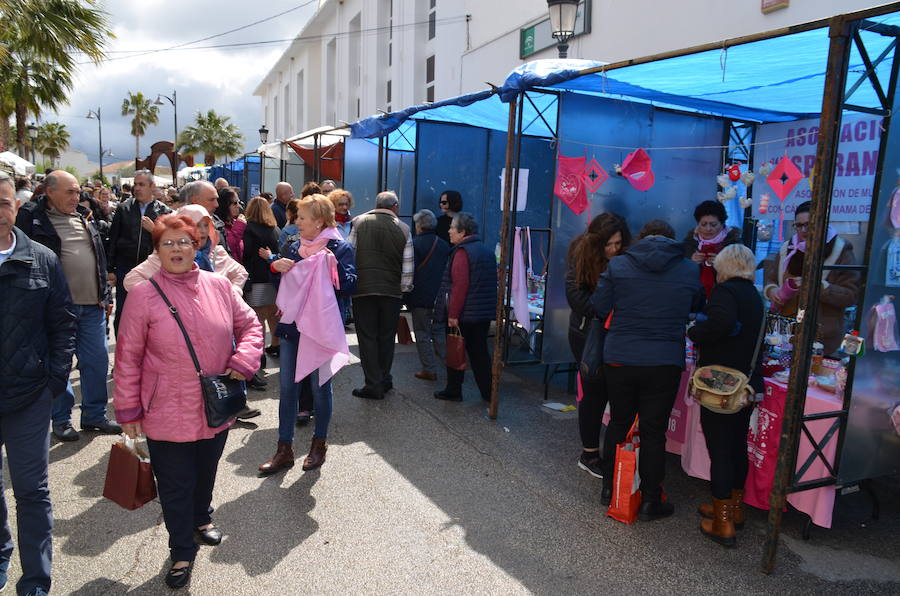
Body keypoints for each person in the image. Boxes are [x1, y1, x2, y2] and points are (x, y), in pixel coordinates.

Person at [113, 214, 262, 590]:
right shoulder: (143, 295)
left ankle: (202, 517)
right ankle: (181, 549)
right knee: (176, 483)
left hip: (215, 403)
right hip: (165, 408)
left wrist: (243, 361)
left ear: (197, 246)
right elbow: (127, 357)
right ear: (157, 251)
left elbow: (251, 326)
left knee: (206, 471)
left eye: (183, 242)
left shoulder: (219, 286)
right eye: (168, 243)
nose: (176, 249)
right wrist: (128, 410)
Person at [591, 219, 703, 521]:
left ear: (640, 238)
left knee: (618, 423)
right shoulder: (689, 269)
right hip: (664, 360)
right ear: (672, 239)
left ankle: (609, 489)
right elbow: (695, 305)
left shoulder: (618, 265)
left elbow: (599, 306)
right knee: (654, 431)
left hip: (620, 358)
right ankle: (652, 500)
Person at [0, 171, 77, 596]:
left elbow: (62, 325)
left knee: (31, 491)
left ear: (18, 205)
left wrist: (54, 380)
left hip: (29, 395)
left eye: (4, 202)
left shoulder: (43, 258)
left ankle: (35, 581)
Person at [16, 170, 121, 441]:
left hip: (91, 306)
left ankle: (94, 415)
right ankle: (61, 419)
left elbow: (98, 260)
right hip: (55, 309)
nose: (76, 197)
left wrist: (105, 296)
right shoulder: (33, 220)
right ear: (49, 192)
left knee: (97, 362)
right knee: (59, 366)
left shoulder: (85, 218)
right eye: (69, 192)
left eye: (77, 192)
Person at [259, 194, 356, 475]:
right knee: (288, 388)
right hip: (291, 327)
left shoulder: (339, 248)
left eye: (302, 218)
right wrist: (275, 267)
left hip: (321, 328)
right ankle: (284, 449)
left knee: (319, 387)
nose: (296, 222)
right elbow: (284, 280)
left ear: (319, 221)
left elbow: (349, 285)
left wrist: (332, 268)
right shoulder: (292, 246)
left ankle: (319, 444)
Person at [687, 244, 764, 547]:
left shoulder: (725, 293)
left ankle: (722, 523)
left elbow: (720, 323)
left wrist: (695, 332)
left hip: (721, 384)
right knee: (735, 448)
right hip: (746, 383)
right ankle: (734, 509)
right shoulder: (754, 296)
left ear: (726, 267)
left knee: (720, 450)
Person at [565, 212, 631, 478]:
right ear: (597, 242)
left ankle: (612, 453)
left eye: (618, 243)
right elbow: (577, 298)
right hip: (586, 334)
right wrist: (606, 306)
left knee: (612, 394)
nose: (614, 249)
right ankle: (589, 454)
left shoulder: (625, 259)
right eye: (609, 244)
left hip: (615, 335)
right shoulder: (580, 254)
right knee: (593, 395)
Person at [763, 200, 859, 354]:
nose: (804, 230)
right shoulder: (786, 249)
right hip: (785, 333)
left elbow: (851, 295)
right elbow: (772, 279)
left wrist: (818, 286)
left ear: (822, 224)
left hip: (820, 336)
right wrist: (772, 291)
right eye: (799, 225)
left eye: (809, 225)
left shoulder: (840, 251)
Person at [348, 190, 414, 399]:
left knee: (367, 337)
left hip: (363, 291)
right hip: (391, 292)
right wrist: (403, 288)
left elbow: (349, 252)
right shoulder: (404, 229)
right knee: (386, 337)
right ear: (395, 207)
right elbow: (408, 265)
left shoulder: (358, 222)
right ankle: (384, 379)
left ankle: (373, 384)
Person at [433, 213, 498, 402]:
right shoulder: (485, 250)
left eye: (453, 227)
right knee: (480, 355)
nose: (449, 231)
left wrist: (453, 314)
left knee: (456, 351)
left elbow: (459, 286)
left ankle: (453, 390)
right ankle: (488, 393)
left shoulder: (462, 252)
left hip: (464, 314)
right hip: (480, 313)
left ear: (463, 232)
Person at [107, 169, 171, 334]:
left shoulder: (163, 211)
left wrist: (155, 229)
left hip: (152, 272)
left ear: (152, 186)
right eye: (135, 184)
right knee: (123, 314)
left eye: (141, 184)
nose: (137, 188)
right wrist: (111, 269)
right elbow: (113, 239)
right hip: (125, 270)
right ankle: (123, 352)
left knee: (150, 314)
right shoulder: (124, 209)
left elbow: (170, 240)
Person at [406, 209, 450, 381]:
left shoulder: (415, 244)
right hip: (441, 296)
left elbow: (410, 272)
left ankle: (429, 369)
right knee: (438, 330)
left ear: (419, 226)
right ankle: (450, 366)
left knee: (422, 332)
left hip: (421, 296)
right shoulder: (444, 244)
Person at [242, 197, 282, 357]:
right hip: (273, 278)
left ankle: (259, 353)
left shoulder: (249, 229)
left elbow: (246, 253)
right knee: (273, 314)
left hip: (256, 278)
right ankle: (276, 344)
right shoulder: (275, 229)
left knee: (257, 317)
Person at [683, 200, 742, 298]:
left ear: (722, 224)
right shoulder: (689, 243)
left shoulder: (734, 245)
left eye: (713, 225)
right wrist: (689, 261)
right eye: (703, 224)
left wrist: (722, 265)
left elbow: (743, 274)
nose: (708, 229)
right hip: (693, 297)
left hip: (725, 297)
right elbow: (678, 272)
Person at [181, 180, 229, 255]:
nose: (216, 205)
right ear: (194, 201)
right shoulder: (173, 228)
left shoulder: (218, 223)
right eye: (211, 200)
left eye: (206, 225)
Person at [214, 187, 246, 261]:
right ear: (224, 205)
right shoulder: (218, 226)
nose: (238, 206)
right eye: (235, 203)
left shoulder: (234, 223)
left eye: (239, 202)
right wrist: (239, 226)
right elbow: (229, 246)